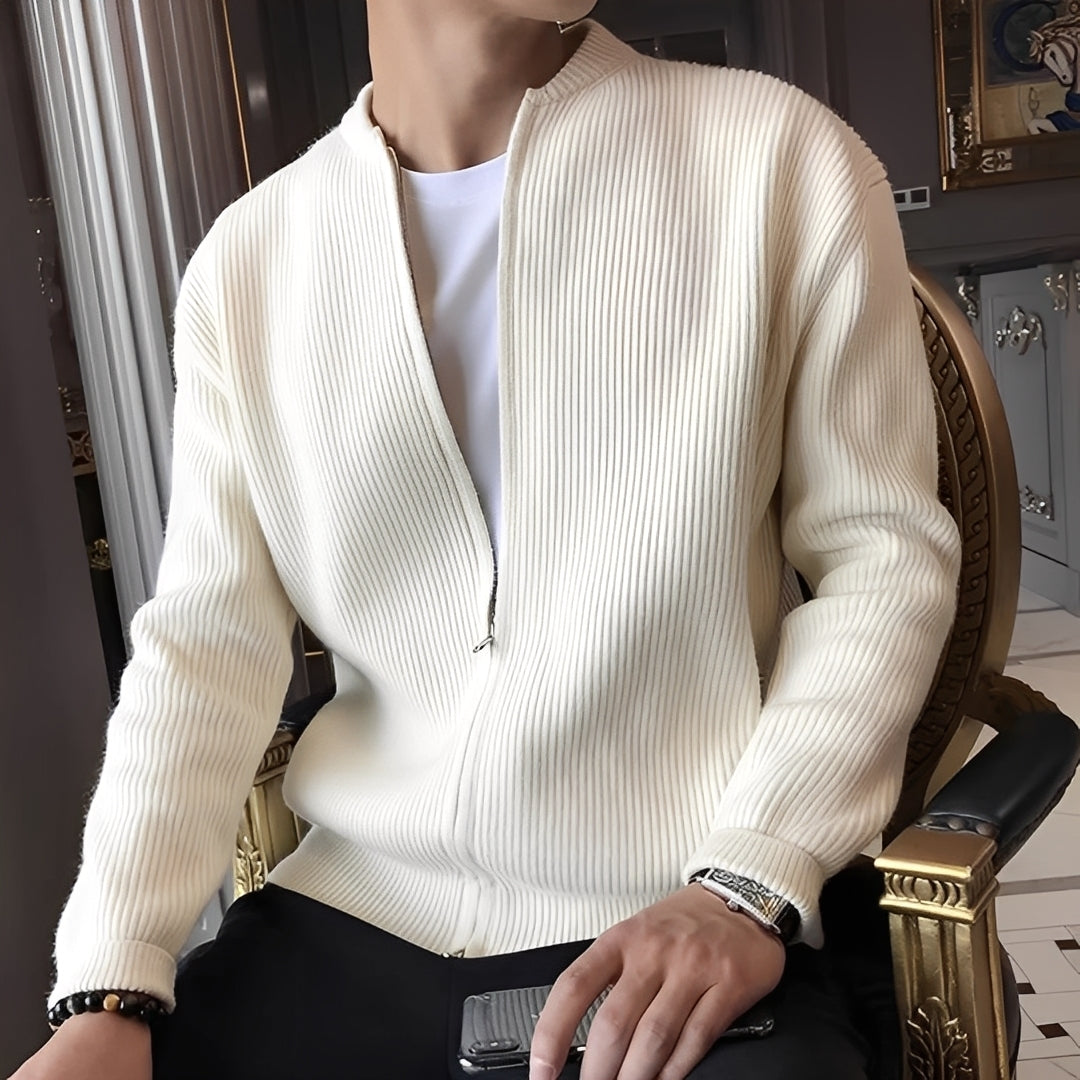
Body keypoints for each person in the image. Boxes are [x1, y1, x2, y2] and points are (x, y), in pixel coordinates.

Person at [11, 3, 961, 1079]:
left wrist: (746, 883)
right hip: (348, 915)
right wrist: (108, 985)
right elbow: (203, 648)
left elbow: (881, 560)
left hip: (680, 902)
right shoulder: (250, 262)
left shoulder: (779, 160)